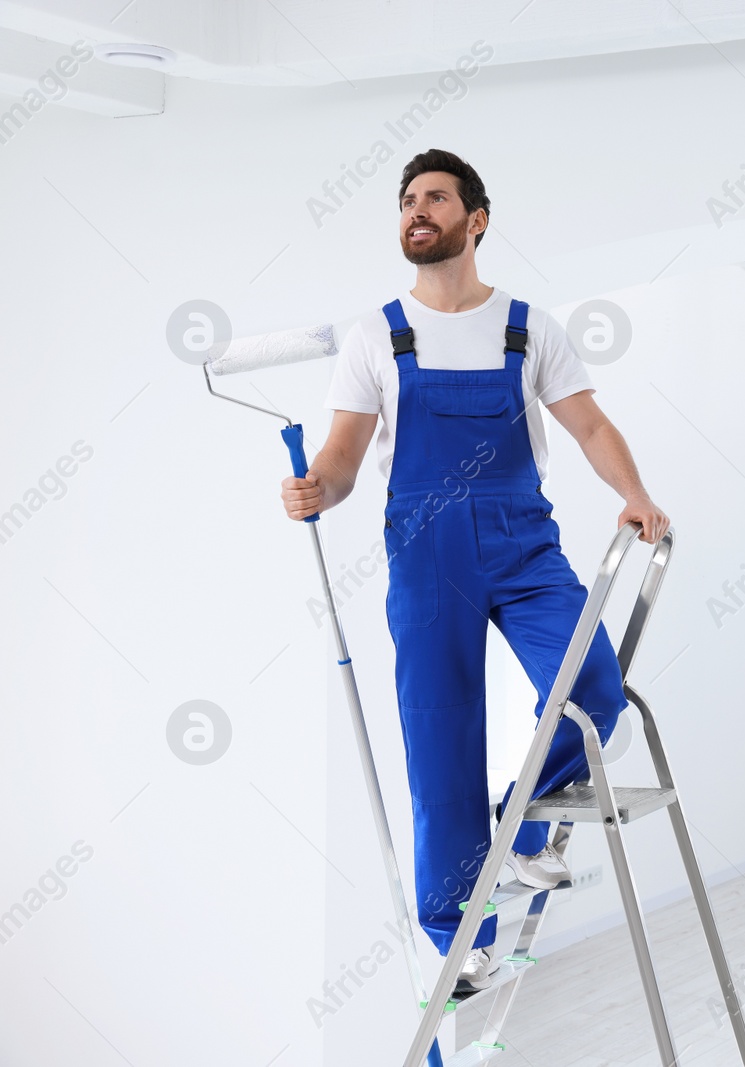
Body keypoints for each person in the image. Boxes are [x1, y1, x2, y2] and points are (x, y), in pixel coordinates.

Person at [280, 148, 669, 992]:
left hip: (522, 544)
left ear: (476, 219)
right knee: (439, 737)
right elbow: (345, 458)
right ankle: (464, 937)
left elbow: (592, 430)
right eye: (407, 200)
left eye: (435, 198)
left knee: (594, 689)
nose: (416, 211)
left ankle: (519, 835)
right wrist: (319, 489)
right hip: (423, 552)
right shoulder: (378, 336)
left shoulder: (528, 327)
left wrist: (634, 493)